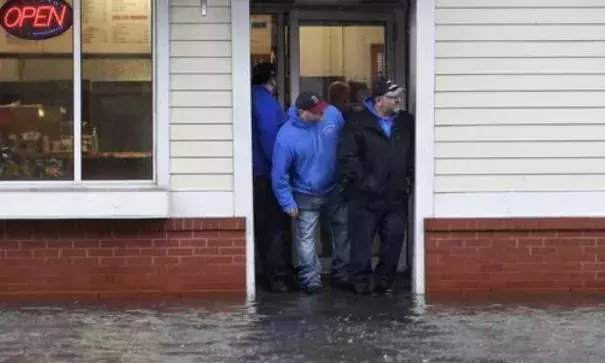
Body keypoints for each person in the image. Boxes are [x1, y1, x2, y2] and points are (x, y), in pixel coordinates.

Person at [337, 77, 415, 295]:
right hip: (365, 197)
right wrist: (365, 181)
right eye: (393, 97)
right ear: (379, 100)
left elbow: (413, 154)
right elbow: (347, 157)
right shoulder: (357, 123)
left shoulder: (406, 122)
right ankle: (360, 282)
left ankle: (384, 280)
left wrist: (408, 178)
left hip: (396, 195)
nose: (398, 100)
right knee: (361, 243)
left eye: (399, 96)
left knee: (394, 240)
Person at [272, 91, 349, 295]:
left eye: (322, 109)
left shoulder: (332, 114)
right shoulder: (286, 135)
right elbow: (279, 173)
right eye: (316, 112)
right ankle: (311, 279)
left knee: (342, 230)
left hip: (335, 187)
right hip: (306, 192)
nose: (322, 114)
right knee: (306, 237)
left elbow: (346, 144)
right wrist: (287, 202)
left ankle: (342, 273)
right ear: (302, 112)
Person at [251, 61, 294, 293]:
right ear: (272, 78)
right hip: (266, 173)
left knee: (268, 226)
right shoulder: (264, 101)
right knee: (274, 227)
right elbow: (269, 134)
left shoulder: (251, 97)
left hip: (258, 171)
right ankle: (277, 276)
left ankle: (275, 273)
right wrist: (280, 166)